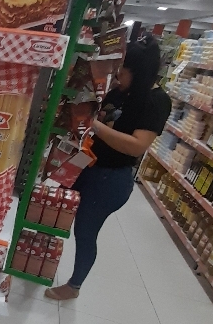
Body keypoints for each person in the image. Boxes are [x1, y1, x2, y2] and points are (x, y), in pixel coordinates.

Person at [45, 34, 171, 300]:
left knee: (85, 231)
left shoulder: (156, 101)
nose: (117, 74)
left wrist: (95, 125)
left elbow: (137, 146)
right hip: (86, 165)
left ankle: (74, 286)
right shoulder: (120, 91)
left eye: (122, 69)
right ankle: (38, 259)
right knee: (52, 208)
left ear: (138, 72)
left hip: (111, 179)